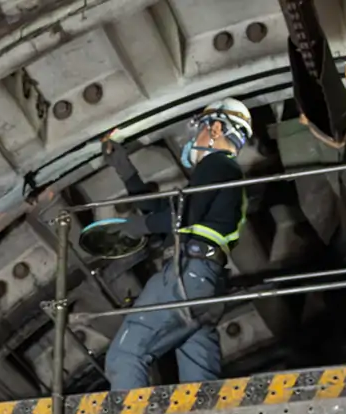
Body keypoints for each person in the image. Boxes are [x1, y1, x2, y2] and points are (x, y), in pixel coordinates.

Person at [100, 99, 254, 391]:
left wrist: (132, 228)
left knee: (125, 356)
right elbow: (165, 211)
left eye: (199, 131)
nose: (193, 140)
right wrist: (124, 168)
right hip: (207, 285)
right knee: (199, 386)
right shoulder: (226, 175)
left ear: (217, 128)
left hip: (186, 275)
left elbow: (181, 216)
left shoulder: (216, 164)